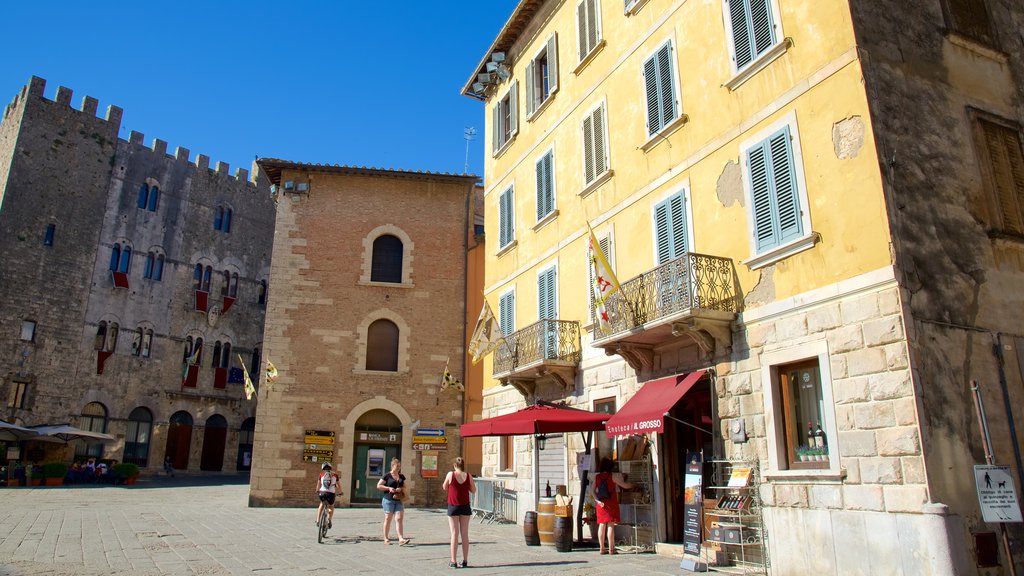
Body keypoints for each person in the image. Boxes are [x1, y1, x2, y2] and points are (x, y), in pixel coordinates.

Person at [591, 457, 634, 555]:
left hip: (600, 504)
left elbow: (592, 491)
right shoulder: (612, 476)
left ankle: (601, 548)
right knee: (610, 525)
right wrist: (633, 485)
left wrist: (597, 501)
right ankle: (611, 549)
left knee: (601, 525)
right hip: (611, 503)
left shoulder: (597, 477)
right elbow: (624, 485)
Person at [442, 456, 475, 568]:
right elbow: (473, 490)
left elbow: (444, 486)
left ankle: (453, 561)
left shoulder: (450, 474)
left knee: (454, 534)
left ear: (454, 465)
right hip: (465, 506)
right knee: (465, 534)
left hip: (453, 506)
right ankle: (465, 560)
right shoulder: (468, 475)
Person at [376, 458, 410, 545]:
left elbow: (405, 486)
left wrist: (400, 488)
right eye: (397, 466)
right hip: (388, 499)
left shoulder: (401, 476)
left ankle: (401, 538)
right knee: (388, 518)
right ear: (392, 466)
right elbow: (379, 485)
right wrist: (389, 488)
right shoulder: (387, 476)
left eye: (399, 466)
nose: (398, 468)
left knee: (399, 518)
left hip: (398, 500)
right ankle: (386, 538)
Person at [315, 462, 341, 531]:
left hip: (322, 493)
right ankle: (329, 519)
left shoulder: (321, 474)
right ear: (330, 468)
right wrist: (340, 492)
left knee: (321, 504)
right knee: (331, 506)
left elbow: (318, 485)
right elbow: (338, 486)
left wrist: (317, 491)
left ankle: (317, 520)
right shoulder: (335, 475)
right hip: (331, 494)